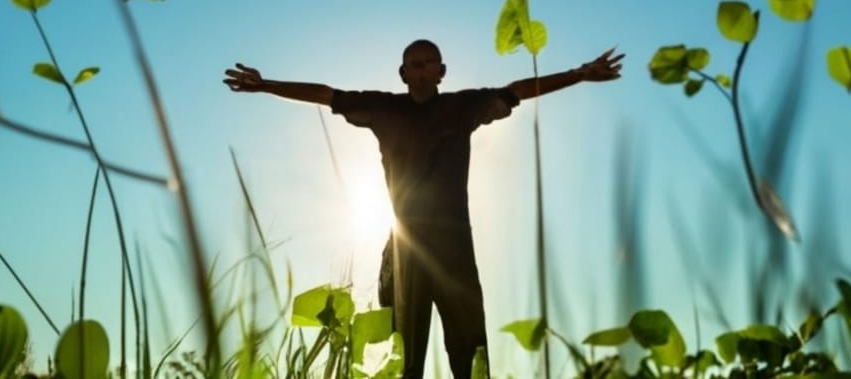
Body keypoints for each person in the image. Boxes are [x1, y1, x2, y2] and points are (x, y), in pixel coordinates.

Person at [223, 39, 624, 379]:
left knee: (471, 352)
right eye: (412, 62)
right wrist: (265, 85)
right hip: (403, 249)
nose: (420, 66)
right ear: (402, 74)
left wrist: (579, 73)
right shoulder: (384, 109)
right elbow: (327, 94)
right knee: (402, 356)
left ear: (441, 71)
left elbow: (516, 89)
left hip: (454, 249)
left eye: (428, 60)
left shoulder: (463, 106)